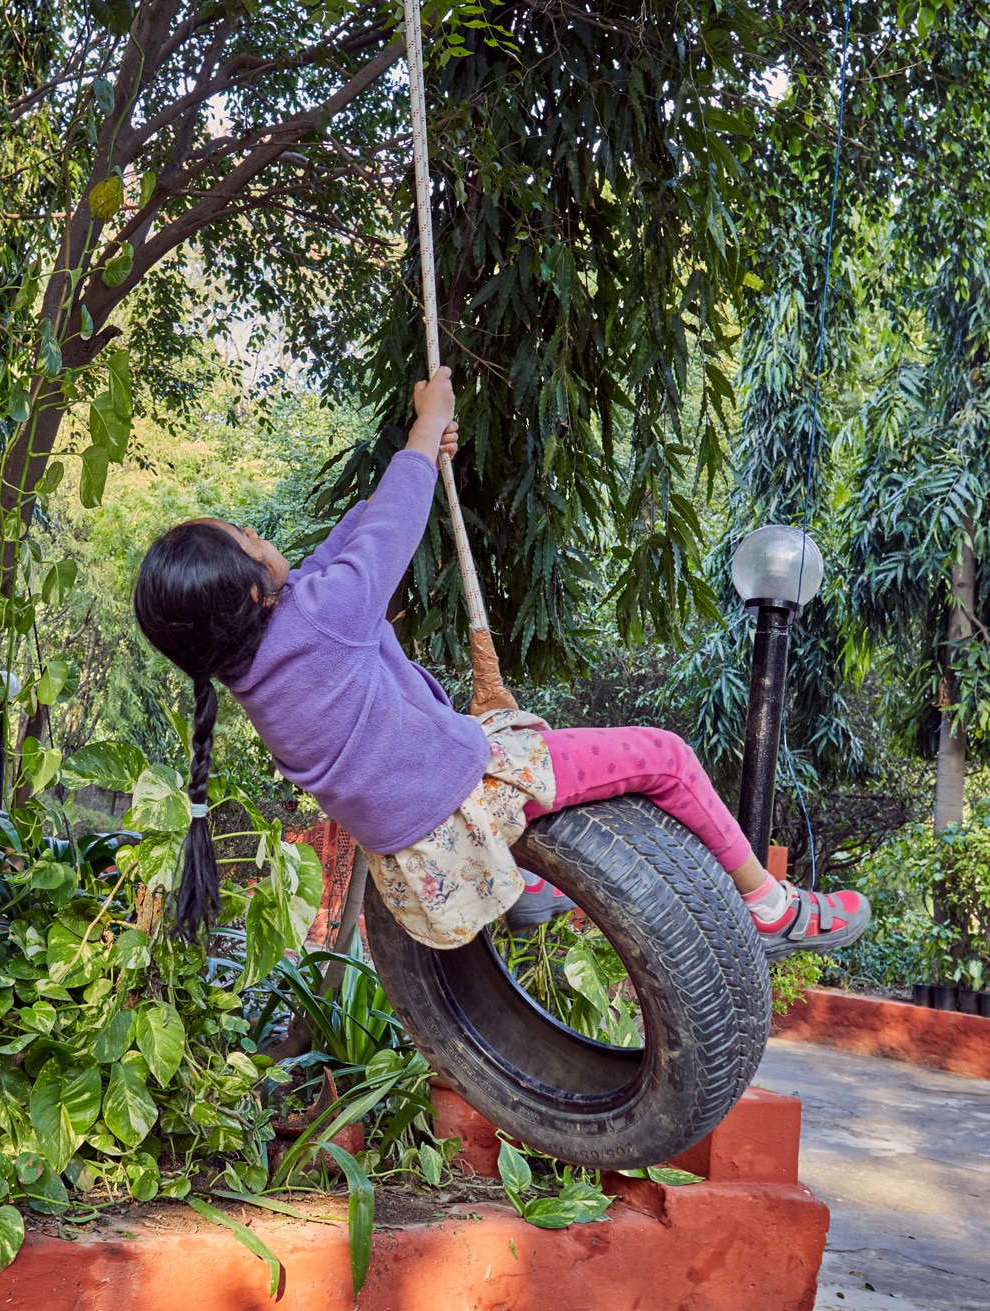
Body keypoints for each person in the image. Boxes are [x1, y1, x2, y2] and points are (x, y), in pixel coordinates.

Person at [133, 368, 871, 961]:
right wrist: (424, 426)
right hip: (467, 790)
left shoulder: (250, 666)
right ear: (257, 590)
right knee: (668, 757)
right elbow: (386, 529)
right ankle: (772, 908)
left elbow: (344, 546)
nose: (257, 531)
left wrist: (423, 458)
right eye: (244, 533)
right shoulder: (325, 614)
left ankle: (515, 886)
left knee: (515, 729)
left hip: (410, 845)